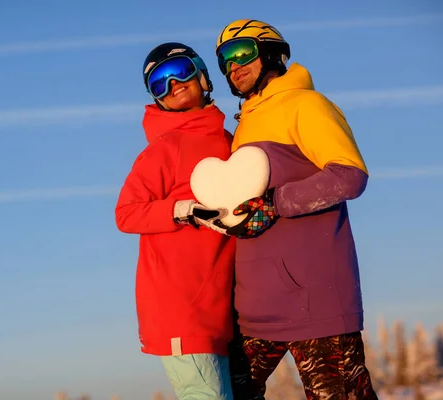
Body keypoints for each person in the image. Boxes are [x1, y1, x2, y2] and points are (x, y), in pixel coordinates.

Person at [202, 19, 379, 399]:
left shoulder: (306, 104)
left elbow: (349, 176)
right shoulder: (245, 122)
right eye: (223, 58)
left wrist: (276, 202)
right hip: (253, 307)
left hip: (315, 300)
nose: (232, 64)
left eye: (241, 51)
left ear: (271, 53)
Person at [114, 42, 237, 400]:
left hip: (221, 305)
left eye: (180, 71)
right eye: (159, 82)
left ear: (202, 74)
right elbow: (126, 212)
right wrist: (182, 210)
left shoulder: (229, 141)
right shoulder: (165, 148)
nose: (173, 84)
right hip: (181, 308)